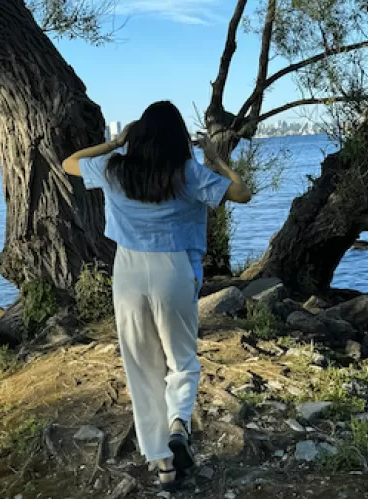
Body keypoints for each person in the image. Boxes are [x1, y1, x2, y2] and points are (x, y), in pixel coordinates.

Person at [63, 101, 252, 490]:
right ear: (177, 137)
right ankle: (178, 422)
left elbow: (69, 162)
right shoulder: (187, 172)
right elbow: (242, 193)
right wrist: (216, 159)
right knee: (181, 360)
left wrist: (115, 141)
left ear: (140, 136)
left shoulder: (114, 169)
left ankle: (163, 465)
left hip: (129, 271)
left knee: (141, 366)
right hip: (175, 269)